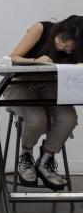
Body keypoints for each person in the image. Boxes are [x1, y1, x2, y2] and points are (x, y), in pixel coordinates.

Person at [6, 15, 83, 190]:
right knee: (37, 120)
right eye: (62, 39)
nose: (61, 46)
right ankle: (26, 155)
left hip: (49, 85)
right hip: (20, 83)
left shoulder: (79, 49)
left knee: (68, 119)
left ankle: (46, 159)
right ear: (60, 29)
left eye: (68, 47)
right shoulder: (41, 29)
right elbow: (12, 57)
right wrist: (34, 60)